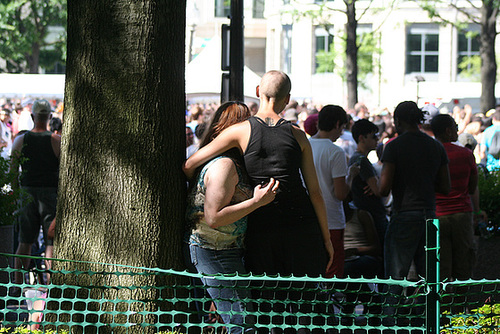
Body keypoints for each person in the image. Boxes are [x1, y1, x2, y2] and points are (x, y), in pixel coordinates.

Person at [184, 70, 333, 277]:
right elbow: (315, 193)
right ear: (288, 99)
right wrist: (327, 240)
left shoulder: (240, 131)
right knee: (303, 303)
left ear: (257, 92)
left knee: (267, 303)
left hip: (262, 230)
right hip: (302, 228)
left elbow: (190, 164)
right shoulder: (298, 135)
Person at [186, 101, 278, 333]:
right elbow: (214, 217)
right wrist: (256, 202)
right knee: (242, 326)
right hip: (214, 252)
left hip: (224, 250)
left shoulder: (229, 163)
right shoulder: (224, 166)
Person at [10, 99, 61, 284]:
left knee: (24, 242)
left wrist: (16, 196)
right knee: (50, 243)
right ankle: (51, 284)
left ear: (32, 116)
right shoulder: (56, 141)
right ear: (49, 116)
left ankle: (15, 285)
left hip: (27, 194)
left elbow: (13, 171)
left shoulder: (21, 140)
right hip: (50, 195)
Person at [309, 105, 358, 278]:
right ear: (337, 124)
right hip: (332, 220)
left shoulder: (304, 146)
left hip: (309, 219)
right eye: (343, 128)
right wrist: (351, 176)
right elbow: (341, 194)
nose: (341, 133)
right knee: (331, 271)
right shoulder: (335, 152)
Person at [430, 114, 478, 280]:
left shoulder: (430, 153)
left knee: (440, 269)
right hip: (461, 215)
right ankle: (459, 306)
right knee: (463, 267)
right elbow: (472, 188)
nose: (458, 129)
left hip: (437, 216)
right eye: (456, 126)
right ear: (448, 130)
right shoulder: (466, 154)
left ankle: (441, 306)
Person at [349, 119, 389, 250]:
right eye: (373, 136)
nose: (377, 139)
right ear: (362, 138)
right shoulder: (361, 160)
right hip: (373, 214)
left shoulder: (357, 158)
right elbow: (378, 190)